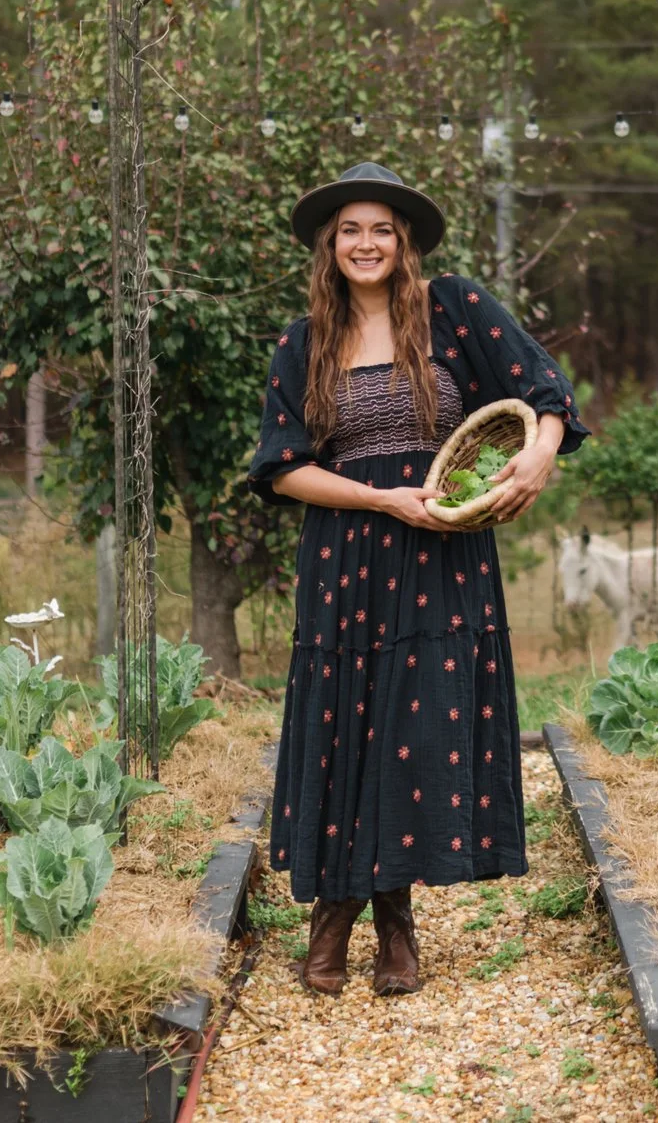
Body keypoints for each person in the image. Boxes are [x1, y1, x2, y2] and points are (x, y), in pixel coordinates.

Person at [248, 161, 586, 997]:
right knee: (344, 728)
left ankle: (393, 921)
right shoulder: (303, 342)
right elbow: (283, 468)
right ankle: (339, 913)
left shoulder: (458, 308)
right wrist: (379, 500)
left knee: (412, 725)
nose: (367, 244)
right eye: (351, 231)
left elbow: (547, 392)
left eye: (382, 229)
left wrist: (537, 457)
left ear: (404, 243)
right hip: (346, 556)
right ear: (331, 247)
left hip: (442, 554)